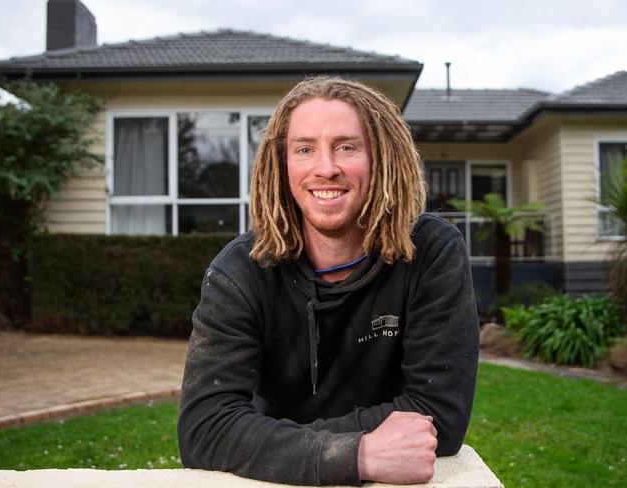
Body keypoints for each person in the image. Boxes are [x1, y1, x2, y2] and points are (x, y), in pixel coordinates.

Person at [178, 77, 479, 486]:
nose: (326, 168)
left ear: (382, 158)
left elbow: (439, 414)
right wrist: (356, 454)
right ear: (282, 166)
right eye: (304, 149)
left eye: (346, 147)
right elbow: (204, 428)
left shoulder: (431, 252)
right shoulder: (241, 270)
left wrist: (265, 439)